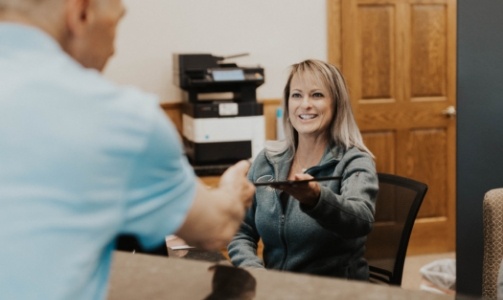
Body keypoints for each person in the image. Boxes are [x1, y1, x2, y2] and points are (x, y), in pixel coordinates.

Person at [0, 0, 255, 299]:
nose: (113, 50)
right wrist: (232, 191)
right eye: (115, 23)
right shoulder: (118, 117)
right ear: (81, 12)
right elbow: (215, 228)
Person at [227, 59, 379, 280]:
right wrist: (255, 273)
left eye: (317, 95)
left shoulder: (355, 161)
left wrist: (316, 199)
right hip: (276, 290)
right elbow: (240, 230)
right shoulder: (267, 160)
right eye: (296, 95)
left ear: (336, 105)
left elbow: (361, 221)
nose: (305, 104)